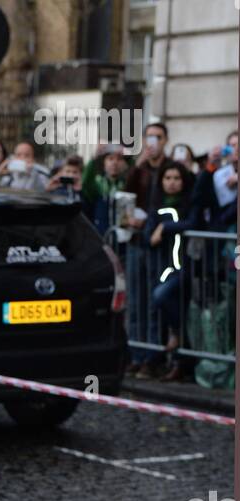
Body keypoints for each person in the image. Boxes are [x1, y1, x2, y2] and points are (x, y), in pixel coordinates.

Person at [144, 161, 199, 381]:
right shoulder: (156, 205)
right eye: (168, 178)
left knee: (162, 296)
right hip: (163, 268)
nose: (172, 183)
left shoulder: (189, 203)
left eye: (176, 178)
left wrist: (165, 227)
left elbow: (194, 223)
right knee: (166, 304)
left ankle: (177, 337)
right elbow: (149, 237)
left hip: (185, 267)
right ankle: (178, 360)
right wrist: (155, 231)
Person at [124, 121, 170, 374]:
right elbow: (125, 194)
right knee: (136, 299)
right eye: (149, 137)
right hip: (136, 239)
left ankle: (152, 356)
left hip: (157, 242)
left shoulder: (169, 168)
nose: (153, 143)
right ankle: (136, 353)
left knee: (153, 299)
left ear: (165, 141)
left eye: (158, 138)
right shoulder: (139, 169)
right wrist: (138, 164)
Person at [81, 146, 128, 237]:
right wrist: (94, 159)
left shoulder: (127, 184)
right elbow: (86, 183)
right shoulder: (98, 184)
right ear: (104, 163)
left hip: (122, 239)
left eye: (119, 159)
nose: (115, 163)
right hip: (101, 237)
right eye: (110, 159)